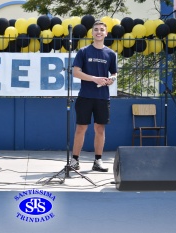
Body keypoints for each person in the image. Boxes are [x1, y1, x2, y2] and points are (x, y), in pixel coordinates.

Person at [70, 21, 117, 172]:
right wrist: (94, 78)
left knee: (100, 129)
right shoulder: (83, 52)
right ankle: (75, 160)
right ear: (92, 33)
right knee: (81, 128)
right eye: (96, 29)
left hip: (103, 98)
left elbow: (114, 73)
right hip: (85, 96)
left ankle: (98, 161)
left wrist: (112, 79)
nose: (98, 32)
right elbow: (76, 72)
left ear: (106, 33)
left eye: (101, 30)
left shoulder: (110, 54)